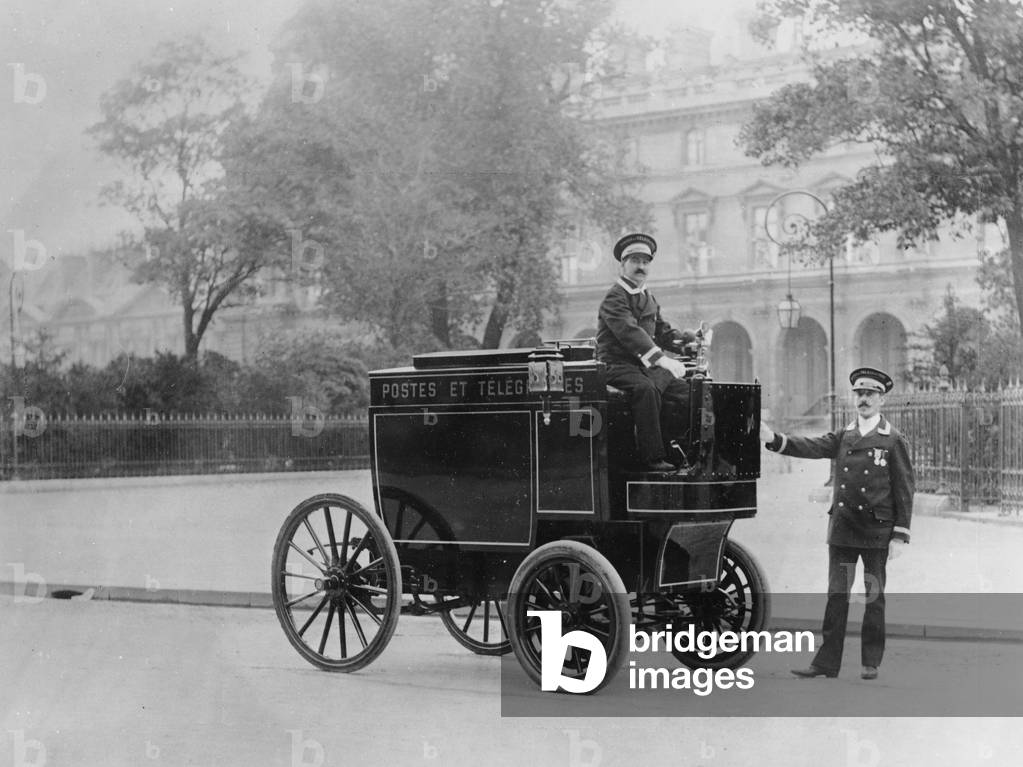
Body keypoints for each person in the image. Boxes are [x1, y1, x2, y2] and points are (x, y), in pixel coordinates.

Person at [760, 367, 914, 680]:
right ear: (853, 398)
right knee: (837, 597)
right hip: (844, 531)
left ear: (881, 400)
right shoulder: (844, 436)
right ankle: (826, 663)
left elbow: (904, 489)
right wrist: (774, 439)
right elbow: (812, 446)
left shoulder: (892, 439)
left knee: (872, 597)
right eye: (859, 394)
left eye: (870, 394)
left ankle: (870, 661)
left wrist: (899, 535)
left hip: (875, 533)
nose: (864, 400)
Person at [596, 232, 691, 473]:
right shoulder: (614, 297)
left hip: (641, 368)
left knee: (685, 389)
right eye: (635, 261)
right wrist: (661, 359)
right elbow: (630, 332)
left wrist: (684, 340)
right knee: (645, 390)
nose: (641, 267)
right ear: (623, 264)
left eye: (645, 262)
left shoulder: (648, 296)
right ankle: (652, 458)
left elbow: (661, 330)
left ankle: (682, 450)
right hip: (615, 366)